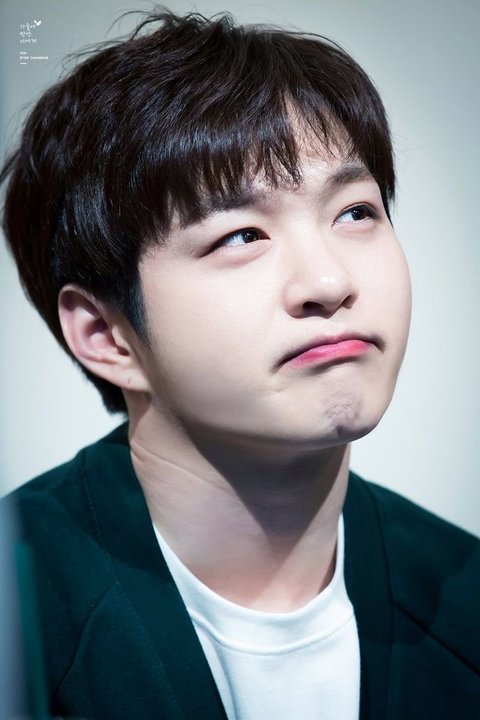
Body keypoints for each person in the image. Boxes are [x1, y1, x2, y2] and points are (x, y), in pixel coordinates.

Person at [1, 9, 479, 720]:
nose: (328, 282)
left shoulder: (465, 598)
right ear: (107, 335)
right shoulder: (21, 614)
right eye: (241, 235)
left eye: (355, 212)